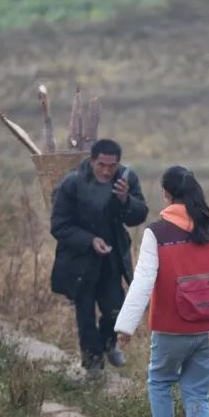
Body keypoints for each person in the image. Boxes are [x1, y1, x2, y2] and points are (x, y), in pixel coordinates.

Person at [113, 166, 209, 417]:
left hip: (172, 328)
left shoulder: (157, 232)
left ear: (166, 194)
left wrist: (124, 326)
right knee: (198, 393)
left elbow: (143, 281)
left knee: (160, 383)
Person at [50, 139, 148, 375]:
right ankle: (92, 362)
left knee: (116, 309)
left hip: (112, 259)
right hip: (79, 260)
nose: (106, 171)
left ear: (118, 164)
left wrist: (126, 201)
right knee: (84, 314)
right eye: (101, 165)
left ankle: (108, 343)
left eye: (111, 166)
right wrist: (89, 240)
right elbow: (59, 225)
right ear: (92, 160)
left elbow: (139, 215)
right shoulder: (72, 182)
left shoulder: (126, 178)